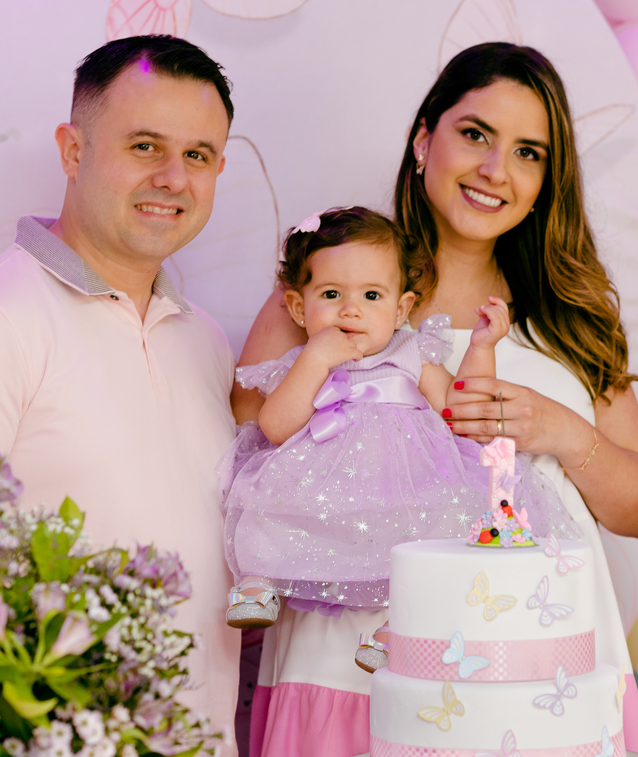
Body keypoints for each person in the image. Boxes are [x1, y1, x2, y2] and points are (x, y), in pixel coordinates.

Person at [235, 43, 638, 757]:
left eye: (528, 152)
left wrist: (559, 430)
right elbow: (247, 446)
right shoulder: (335, 288)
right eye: (475, 134)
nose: (496, 169)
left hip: (531, 668)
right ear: (423, 140)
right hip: (344, 665)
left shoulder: (568, 316)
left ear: (546, 181)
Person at [0, 35, 242, 755]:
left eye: (198, 155)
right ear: (73, 151)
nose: (173, 177)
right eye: (145, 146)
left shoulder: (203, 340)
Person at [220, 207, 576, 637]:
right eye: (331, 294)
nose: (351, 311)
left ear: (400, 308)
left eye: (372, 296)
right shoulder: (305, 362)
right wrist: (315, 359)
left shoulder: (409, 351)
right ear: (299, 307)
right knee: (268, 506)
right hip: (324, 486)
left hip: (405, 482)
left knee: (444, 530)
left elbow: (459, 408)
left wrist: (482, 347)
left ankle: (401, 628)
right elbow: (275, 428)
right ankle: (258, 585)